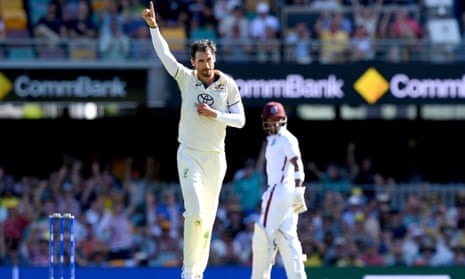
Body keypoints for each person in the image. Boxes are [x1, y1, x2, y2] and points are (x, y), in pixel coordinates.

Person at [141, 2, 246, 279]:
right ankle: (188, 272)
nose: (206, 65)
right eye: (201, 61)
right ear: (193, 62)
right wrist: (154, 27)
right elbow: (165, 56)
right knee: (196, 212)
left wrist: (215, 114)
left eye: (209, 59)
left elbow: (241, 120)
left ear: (214, 58)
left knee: (208, 220)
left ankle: (198, 272)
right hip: (189, 154)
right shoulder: (186, 79)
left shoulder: (228, 84)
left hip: (216, 158)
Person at [251, 101, 307, 279]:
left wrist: (299, 189)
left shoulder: (286, 138)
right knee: (287, 237)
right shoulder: (272, 140)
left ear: (283, 119)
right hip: (286, 194)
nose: (274, 123)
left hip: (280, 190)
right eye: (270, 119)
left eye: (277, 119)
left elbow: (297, 164)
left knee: (263, 234)